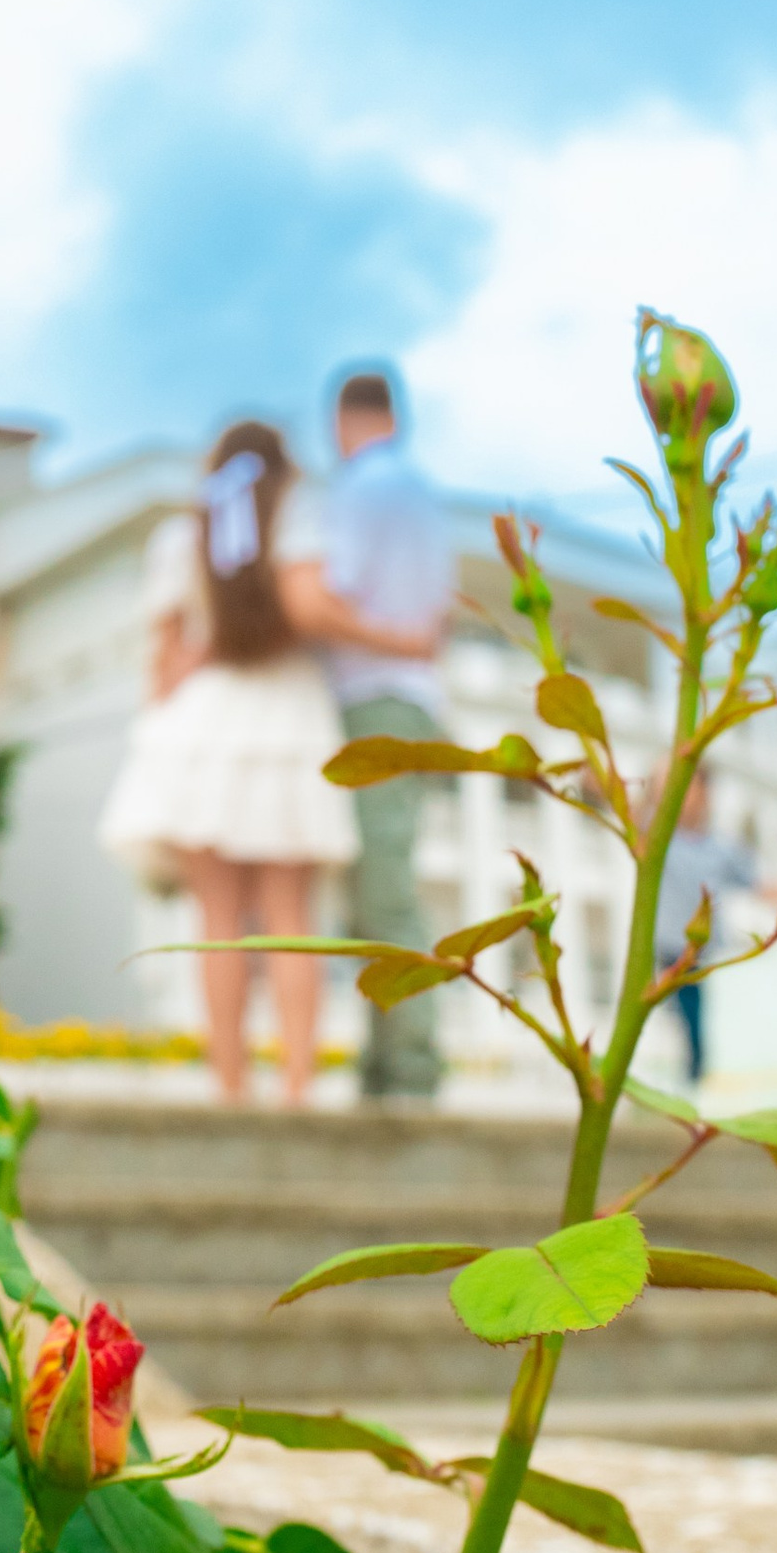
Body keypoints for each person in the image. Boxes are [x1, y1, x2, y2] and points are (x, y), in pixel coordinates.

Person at [101, 422, 383, 1104]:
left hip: (207, 719)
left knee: (216, 921)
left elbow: (165, 656)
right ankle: (296, 1089)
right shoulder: (299, 514)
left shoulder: (179, 538)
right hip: (286, 707)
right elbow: (306, 607)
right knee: (292, 916)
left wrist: (161, 723)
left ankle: (230, 1088)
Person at [300, 366, 456, 1101]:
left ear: (345, 419)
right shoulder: (425, 496)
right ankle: (390, 1055)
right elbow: (442, 616)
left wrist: (386, 644)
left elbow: (331, 599)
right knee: (383, 876)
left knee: (383, 884)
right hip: (417, 702)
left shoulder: (363, 489)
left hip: (375, 697)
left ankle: (408, 1066)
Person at [651, 773, 757, 1080]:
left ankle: (694, 1079)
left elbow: (760, 881)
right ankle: (689, 1076)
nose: (688, 799)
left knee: (698, 1025)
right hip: (668, 947)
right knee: (682, 1020)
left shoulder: (720, 848)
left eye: (695, 791)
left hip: (703, 953)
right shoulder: (657, 834)